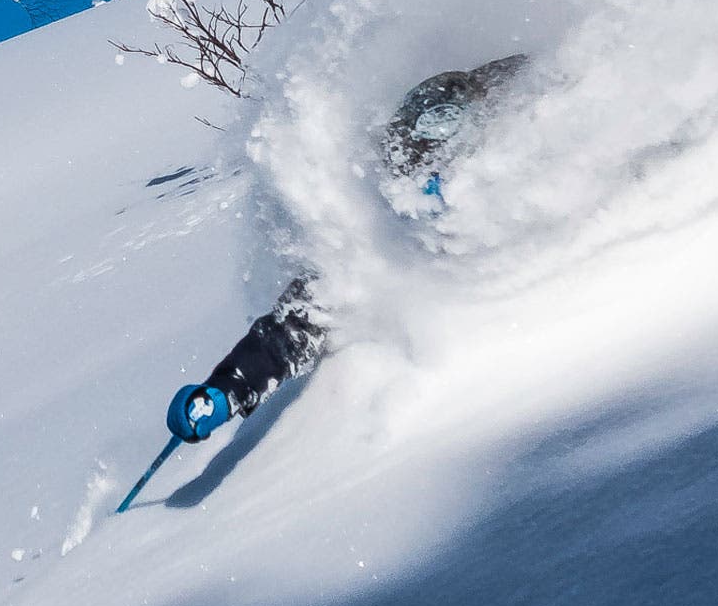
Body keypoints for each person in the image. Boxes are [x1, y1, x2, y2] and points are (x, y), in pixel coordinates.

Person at [165, 54, 529, 444]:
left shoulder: (537, 142)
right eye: (417, 167)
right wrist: (230, 387)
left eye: (439, 164)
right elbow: (302, 318)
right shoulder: (383, 241)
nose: (431, 180)